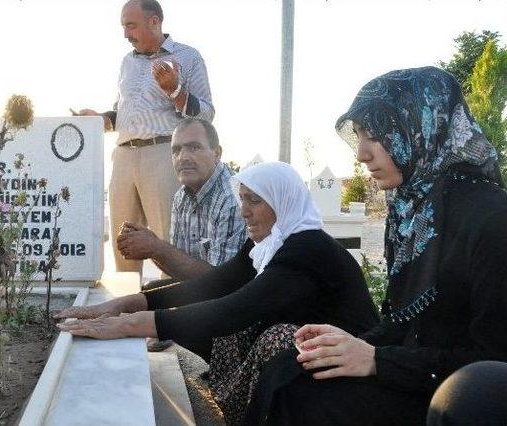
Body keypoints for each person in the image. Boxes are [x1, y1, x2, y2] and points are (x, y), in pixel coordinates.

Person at [244, 67, 507, 426]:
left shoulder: (492, 217)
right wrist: (346, 343)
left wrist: (375, 360)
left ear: (422, 128)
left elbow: (493, 364)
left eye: (377, 135)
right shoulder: (413, 213)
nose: (362, 154)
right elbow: (402, 324)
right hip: (410, 374)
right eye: (360, 136)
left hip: (456, 401)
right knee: (290, 368)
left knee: (306, 397)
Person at [55, 162, 379, 425]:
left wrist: (130, 325)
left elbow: (233, 310)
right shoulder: (268, 245)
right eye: (243, 199)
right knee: (233, 320)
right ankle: (235, 406)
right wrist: (126, 303)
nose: (244, 211)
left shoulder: (308, 249)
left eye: (255, 200)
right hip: (317, 370)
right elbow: (212, 286)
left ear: (282, 202)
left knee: (277, 338)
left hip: (351, 380)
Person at [71, 0, 214, 274]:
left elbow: (206, 114)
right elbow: (125, 112)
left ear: (154, 22)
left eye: (131, 25)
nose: (126, 33)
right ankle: (126, 307)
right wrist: (100, 119)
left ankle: (171, 309)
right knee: (122, 240)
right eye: (124, 26)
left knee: (168, 238)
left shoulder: (188, 57)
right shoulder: (127, 62)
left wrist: (175, 91)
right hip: (123, 155)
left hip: (162, 153)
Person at [117, 118, 246, 352]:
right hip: (211, 294)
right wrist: (148, 247)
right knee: (150, 291)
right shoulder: (182, 196)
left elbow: (223, 282)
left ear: (216, 153)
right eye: (176, 150)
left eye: (194, 147)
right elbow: (180, 268)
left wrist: (155, 247)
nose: (183, 157)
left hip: (240, 307)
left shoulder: (232, 199)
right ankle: (167, 329)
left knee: (151, 302)